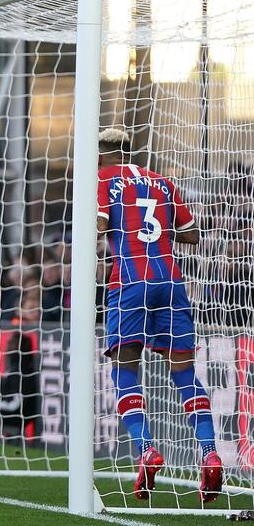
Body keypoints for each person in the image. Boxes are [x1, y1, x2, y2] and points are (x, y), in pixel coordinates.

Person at [96, 128, 223, 502]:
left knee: (124, 369)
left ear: (101, 156)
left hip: (130, 283)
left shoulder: (102, 178)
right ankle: (210, 453)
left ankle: (146, 449)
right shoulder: (162, 182)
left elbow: (101, 224)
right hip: (170, 283)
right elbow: (194, 234)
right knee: (184, 372)